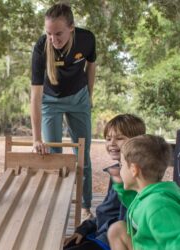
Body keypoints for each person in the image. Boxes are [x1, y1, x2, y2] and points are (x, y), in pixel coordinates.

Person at [30, 2, 96, 218]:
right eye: (49, 34)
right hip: (51, 101)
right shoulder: (41, 48)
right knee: (53, 155)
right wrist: (36, 138)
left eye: (58, 34)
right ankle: (56, 205)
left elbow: (91, 65)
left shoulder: (86, 39)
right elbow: (36, 96)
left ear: (72, 29)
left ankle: (86, 206)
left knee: (82, 155)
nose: (53, 39)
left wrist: (90, 95)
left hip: (79, 98)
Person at [64, 114, 145, 250]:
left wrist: (96, 238)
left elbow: (126, 223)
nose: (112, 143)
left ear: (137, 142)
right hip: (100, 233)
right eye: (108, 139)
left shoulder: (135, 177)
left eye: (119, 138)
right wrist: (85, 228)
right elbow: (108, 211)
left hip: (111, 241)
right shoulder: (117, 170)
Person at [107, 135, 180, 250]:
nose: (120, 170)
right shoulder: (147, 195)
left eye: (122, 165)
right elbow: (137, 203)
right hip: (146, 245)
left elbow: (176, 240)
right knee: (117, 229)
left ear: (134, 170)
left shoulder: (159, 205)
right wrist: (121, 187)